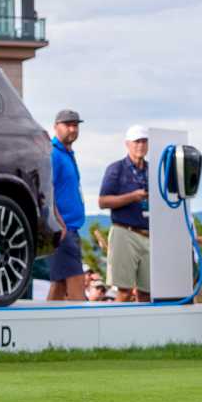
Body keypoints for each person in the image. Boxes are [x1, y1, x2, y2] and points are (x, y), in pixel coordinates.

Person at [96, 124, 153, 303]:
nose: (140, 145)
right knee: (124, 291)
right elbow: (103, 201)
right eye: (137, 141)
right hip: (124, 231)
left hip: (149, 234)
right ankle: (115, 329)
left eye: (144, 141)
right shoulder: (116, 168)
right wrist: (132, 197)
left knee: (147, 292)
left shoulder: (153, 170)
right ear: (127, 144)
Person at [46, 109, 87, 301]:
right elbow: (46, 190)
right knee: (76, 282)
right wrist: (59, 222)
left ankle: (43, 328)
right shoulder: (53, 153)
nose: (72, 129)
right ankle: (82, 329)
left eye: (75, 125)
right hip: (64, 229)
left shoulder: (67, 153)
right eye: (68, 125)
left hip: (71, 228)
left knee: (59, 285)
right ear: (56, 127)